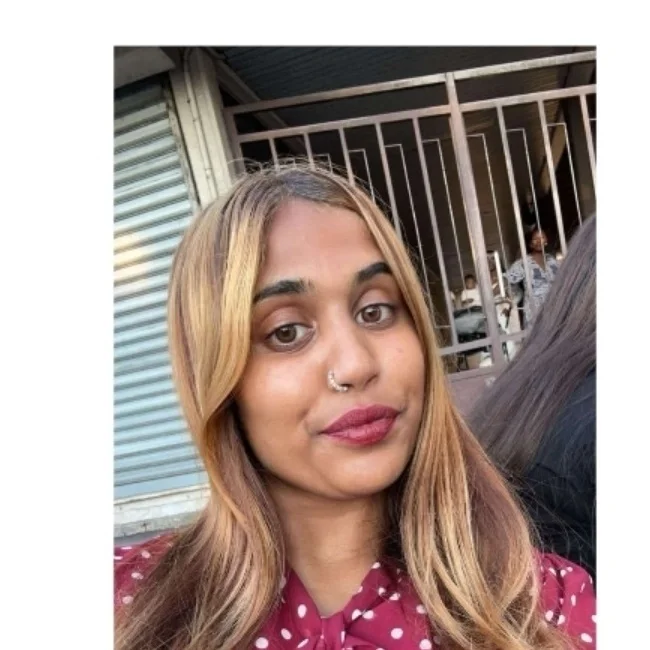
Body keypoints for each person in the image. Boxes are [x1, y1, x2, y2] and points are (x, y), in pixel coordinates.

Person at [114, 166, 596, 650]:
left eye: (375, 311)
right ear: (217, 377)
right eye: (286, 332)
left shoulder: (548, 606)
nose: (355, 365)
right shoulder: (125, 603)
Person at [470, 217, 596, 579]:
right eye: (535, 236)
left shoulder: (528, 393)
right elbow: (510, 291)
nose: (540, 240)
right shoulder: (521, 266)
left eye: (544, 235)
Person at [505, 226, 560, 327]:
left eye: (542, 237)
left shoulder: (552, 260)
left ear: (546, 241)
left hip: (555, 308)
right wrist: (517, 296)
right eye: (535, 239)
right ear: (530, 243)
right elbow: (508, 280)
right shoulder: (523, 263)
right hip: (534, 312)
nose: (539, 241)